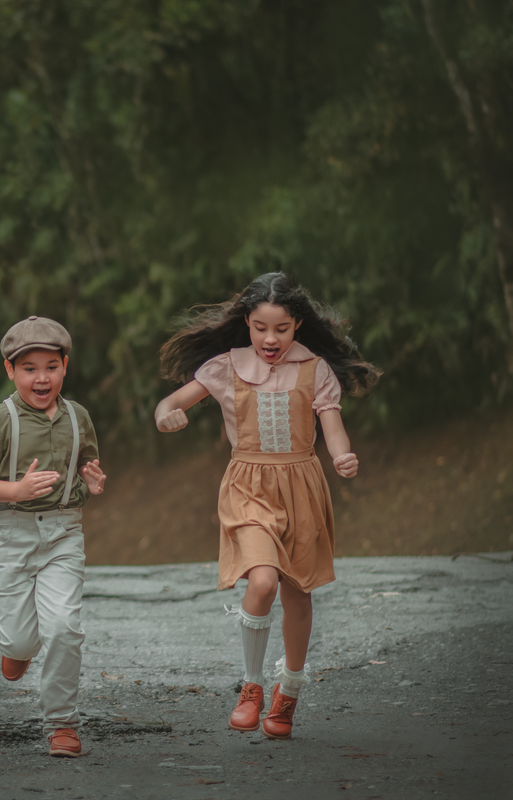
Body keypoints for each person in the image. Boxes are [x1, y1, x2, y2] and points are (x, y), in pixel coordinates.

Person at [153, 272, 380, 738]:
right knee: (262, 581)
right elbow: (171, 401)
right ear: (248, 323)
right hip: (247, 485)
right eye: (259, 327)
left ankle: (288, 694)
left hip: (302, 484)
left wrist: (341, 455)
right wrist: (167, 415)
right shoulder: (226, 366)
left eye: (279, 328)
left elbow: (331, 424)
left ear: (296, 324)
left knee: (299, 594)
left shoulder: (315, 369)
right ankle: (251, 686)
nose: (269, 338)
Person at [0, 316, 106, 758]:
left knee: (64, 628)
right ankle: (17, 646)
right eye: (29, 368)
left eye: (50, 366)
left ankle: (61, 723)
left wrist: (93, 482)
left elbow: (87, 464)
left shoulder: (77, 415)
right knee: (22, 639)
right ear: (10, 371)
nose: (41, 377)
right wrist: (17, 491)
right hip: (11, 533)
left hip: (64, 532)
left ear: (65, 366)